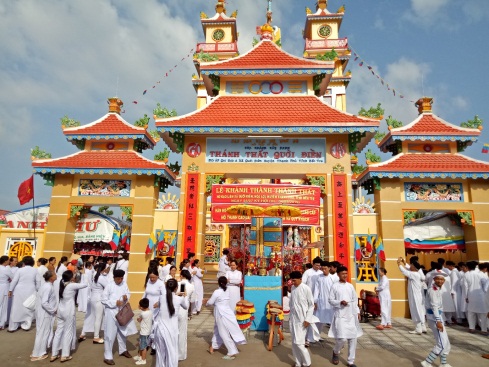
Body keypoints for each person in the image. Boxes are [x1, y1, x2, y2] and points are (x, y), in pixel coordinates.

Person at [100, 269, 137, 365]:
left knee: (123, 332)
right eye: (118, 279)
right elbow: (103, 299)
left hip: (122, 311)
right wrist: (114, 303)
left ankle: (123, 350)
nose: (120, 280)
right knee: (110, 334)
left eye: (121, 278)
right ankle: (107, 356)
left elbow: (128, 293)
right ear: (114, 278)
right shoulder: (109, 286)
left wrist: (126, 297)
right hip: (111, 312)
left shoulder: (124, 284)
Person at [328, 266, 363, 367]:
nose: (345, 275)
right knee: (342, 338)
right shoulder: (335, 286)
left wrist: (357, 312)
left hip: (351, 315)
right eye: (343, 274)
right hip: (340, 315)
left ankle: (350, 361)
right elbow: (330, 300)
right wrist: (340, 302)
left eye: (346, 273)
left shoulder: (350, 286)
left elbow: (354, 299)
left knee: (353, 338)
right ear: (338, 274)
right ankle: (335, 351)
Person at [51, 270, 88, 362]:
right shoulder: (72, 285)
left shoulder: (60, 282)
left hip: (61, 309)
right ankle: (65, 355)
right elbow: (85, 284)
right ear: (71, 277)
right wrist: (84, 274)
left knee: (58, 332)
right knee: (68, 332)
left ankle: (54, 354)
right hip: (68, 311)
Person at [205, 276, 246, 360]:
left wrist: (206, 302)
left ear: (219, 283)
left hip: (221, 313)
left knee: (223, 332)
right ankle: (214, 346)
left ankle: (232, 351)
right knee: (217, 329)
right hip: (227, 311)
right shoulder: (227, 290)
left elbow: (210, 302)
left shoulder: (217, 292)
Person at [153, 278, 188, 367]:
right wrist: (184, 296)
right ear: (176, 288)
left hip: (160, 330)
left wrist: (177, 295)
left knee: (161, 355)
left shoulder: (161, 297)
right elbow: (186, 306)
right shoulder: (179, 299)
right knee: (172, 354)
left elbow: (167, 300)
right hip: (172, 331)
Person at [421, 271, 452, 367]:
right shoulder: (433, 290)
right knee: (441, 344)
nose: (440, 281)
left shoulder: (438, 289)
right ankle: (427, 362)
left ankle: (443, 363)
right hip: (435, 319)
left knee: (445, 342)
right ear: (434, 279)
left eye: (442, 279)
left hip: (438, 317)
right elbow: (434, 306)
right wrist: (438, 321)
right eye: (438, 279)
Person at [288, 270, 316, 367]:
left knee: (300, 343)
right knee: (294, 343)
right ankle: (298, 363)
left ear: (301, 279)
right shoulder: (292, 288)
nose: (293, 282)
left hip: (302, 319)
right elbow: (291, 302)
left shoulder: (306, 288)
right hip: (293, 318)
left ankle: (307, 363)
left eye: (295, 280)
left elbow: (311, 305)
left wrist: (308, 319)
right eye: (292, 280)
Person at [8, 255, 40, 332]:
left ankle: (13, 327)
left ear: (24, 262)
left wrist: (10, 290)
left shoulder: (20, 270)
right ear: (32, 262)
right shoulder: (35, 270)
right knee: (28, 307)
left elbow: (14, 281)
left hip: (19, 290)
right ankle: (26, 325)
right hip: (30, 290)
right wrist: (38, 290)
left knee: (16, 307)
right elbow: (38, 282)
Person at [79, 262, 109, 344]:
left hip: (92, 298)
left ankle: (83, 333)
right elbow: (108, 287)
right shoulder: (101, 277)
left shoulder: (93, 274)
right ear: (104, 269)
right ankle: (96, 337)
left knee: (90, 317)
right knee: (98, 318)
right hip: (99, 299)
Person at [30, 271, 57, 361]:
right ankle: (37, 354)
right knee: (43, 333)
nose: (56, 275)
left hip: (42, 313)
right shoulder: (48, 287)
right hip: (45, 313)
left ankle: (37, 351)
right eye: (54, 274)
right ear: (51, 278)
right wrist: (53, 310)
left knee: (41, 332)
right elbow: (44, 302)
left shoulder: (45, 285)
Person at [398, 257, 426, 334]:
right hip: (417, 295)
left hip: (415, 296)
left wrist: (399, 264)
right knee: (419, 310)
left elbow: (404, 271)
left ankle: (418, 328)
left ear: (414, 267)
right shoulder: (416, 273)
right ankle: (422, 327)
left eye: (411, 265)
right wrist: (404, 263)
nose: (410, 266)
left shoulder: (414, 274)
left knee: (415, 310)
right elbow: (408, 269)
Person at [463, 260, 487, 334]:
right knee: (483, 313)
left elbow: (465, 287)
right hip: (481, 295)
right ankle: (484, 330)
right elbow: (485, 286)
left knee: (471, 312)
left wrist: (466, 296)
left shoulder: (466, 275)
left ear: (467, 267)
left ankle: (472, 328)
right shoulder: (481, 274)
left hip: (471, 295)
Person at [313, 261, 335, 334]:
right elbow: (316, 290)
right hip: (321, 301)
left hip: (331, 302)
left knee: (333, 320)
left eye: (325, 268)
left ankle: (337, 337)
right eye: (322, 269)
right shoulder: (319, 277)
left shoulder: (333, 278)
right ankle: (315, 336)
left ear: (329, 268)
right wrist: (315, 301)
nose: (324, 270)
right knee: (318, 319)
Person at [177, 270, 194, 361]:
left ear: (182, 275)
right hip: (184, 310)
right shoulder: (191, 286)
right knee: (182, 332)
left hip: (179, 308)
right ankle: (181, 354)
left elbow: (182, 296)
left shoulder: (181, 284)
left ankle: (177, 353)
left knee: (177, 331)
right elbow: (191, 299)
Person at [134, 298, 153, 365]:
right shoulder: (150, 312)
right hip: (147, 331)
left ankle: (143, 359)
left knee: (143, 347)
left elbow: (139, 320)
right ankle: (139, 356)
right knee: (140, 344)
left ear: (142, 307)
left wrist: (138, 318)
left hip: (144, 333)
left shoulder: (143, 313)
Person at [0, 256, 12, 330]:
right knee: (3, 306)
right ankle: (1, 323)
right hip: (4, 288)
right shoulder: (6, 269)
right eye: (8, 260)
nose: (9, 262)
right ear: (5, 261)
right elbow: (13, 276)